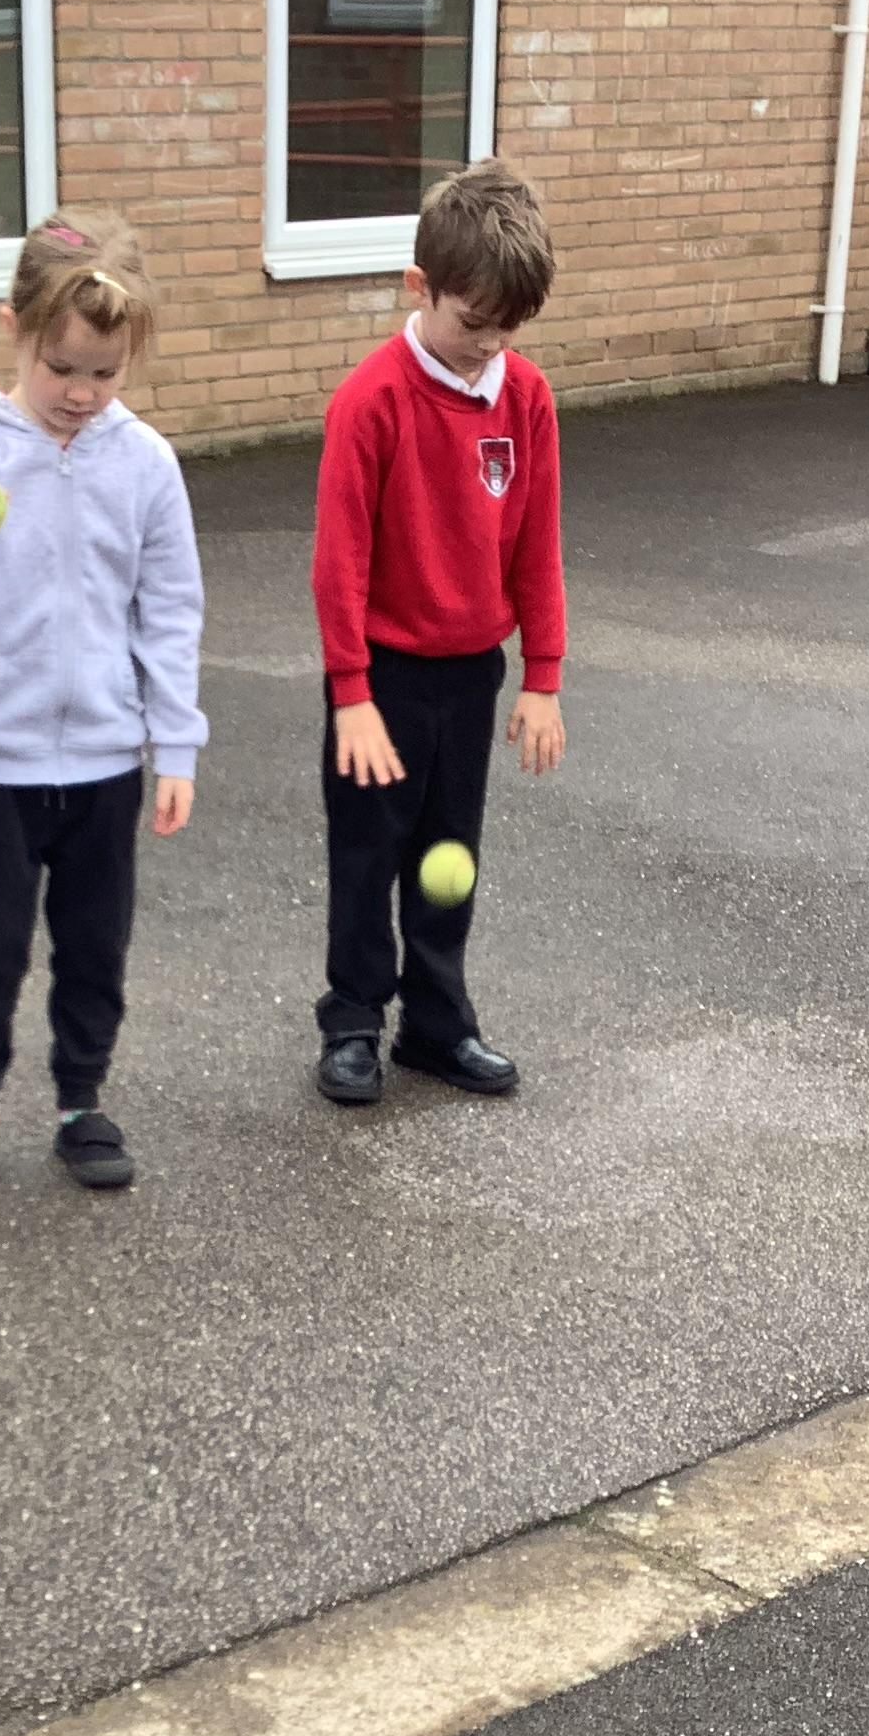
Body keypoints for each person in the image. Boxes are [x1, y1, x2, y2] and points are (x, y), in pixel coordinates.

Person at [0, 211, 205, 1194]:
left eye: (106, 373)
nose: (82, 393)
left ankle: (81, 1101)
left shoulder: (145, 463)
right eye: (61, 367)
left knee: (96, 949)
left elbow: (169, 613)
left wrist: (175, 746)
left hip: (104, 763)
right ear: (12, 327)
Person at [307, 157, 568, 1106]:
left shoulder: (525, 397)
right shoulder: (370, 401)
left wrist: (542, 675)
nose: (486, 347)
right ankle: (352, 1022)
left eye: (507, 330)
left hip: (471, 675)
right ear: (419, 286)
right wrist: (351, 694)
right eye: (472, 323)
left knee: (448, 857)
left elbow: (537, 543)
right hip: (382, 680)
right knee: (367, 855)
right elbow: (339, 563)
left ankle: (436, 1023)